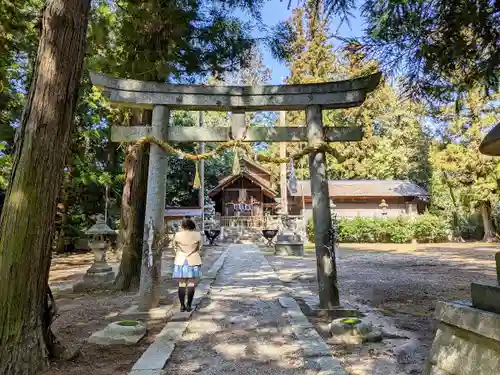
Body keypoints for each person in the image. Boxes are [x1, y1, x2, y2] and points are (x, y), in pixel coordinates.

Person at [172, 217, 202, 312]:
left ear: (183, 226)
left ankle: (182, 306)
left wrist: (180, 253)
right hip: (193, 259)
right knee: (191, 283)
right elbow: (199, 247)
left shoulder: (177, 235)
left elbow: (174, 247)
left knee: (181, 283)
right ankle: (189, 305)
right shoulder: (197, 235)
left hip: (181, 260)